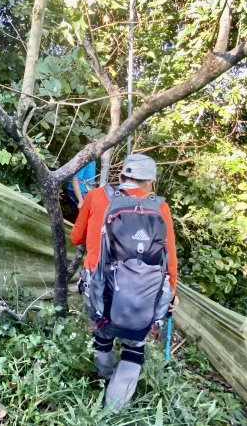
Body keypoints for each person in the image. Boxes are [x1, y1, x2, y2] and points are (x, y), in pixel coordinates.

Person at [70, 153, 179, 410]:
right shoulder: (160, 207)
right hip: (143, 291)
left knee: (103, 329)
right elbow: (169, 258)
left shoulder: (97, 196)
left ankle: (104, 377)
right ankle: (115, 407)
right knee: (135, 341)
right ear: (150, 181)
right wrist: (171, 293)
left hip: (99, 287)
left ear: (121, 177)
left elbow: (76, 238)